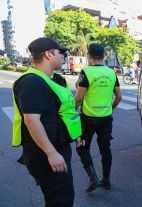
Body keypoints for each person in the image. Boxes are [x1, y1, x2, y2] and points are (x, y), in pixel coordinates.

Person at [12, 37, 84, 206]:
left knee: (60, 196)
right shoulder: (32, 82)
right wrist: (51, 153)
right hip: (44, 153)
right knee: (61, 200)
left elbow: (63, 111)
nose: (64, 56)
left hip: (57, 146)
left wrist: (75, 134)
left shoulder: (52, 79)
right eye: (61, 52)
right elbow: (31, 120)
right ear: (48, 55)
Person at [74, 43, 122, 192]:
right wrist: (110, 109)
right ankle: (106, 180)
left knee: (82, 148)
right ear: (103, 56)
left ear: (89, 56)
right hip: (106, 119)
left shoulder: (86, 72)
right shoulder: (111, 73)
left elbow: (78, 98)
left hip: (88, 119)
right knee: (105, 149)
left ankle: (93, 177)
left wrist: (72, 115)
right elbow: (119, 96)